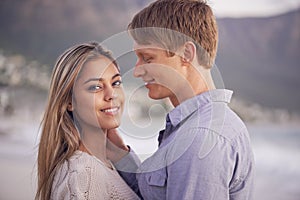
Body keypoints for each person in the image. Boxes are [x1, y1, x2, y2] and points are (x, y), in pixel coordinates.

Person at [108, 0, 255, 199]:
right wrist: (119, 153)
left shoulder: (200, 138)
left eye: (148, 58)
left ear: (186, 54)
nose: (136, 71)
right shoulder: (199, 127)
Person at [35, 42, 140, 200]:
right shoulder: (85, 173)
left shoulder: (104, 165)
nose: (111, 94)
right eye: (95, 87)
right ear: (69, 101)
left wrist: (124, 157)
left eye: (116, 83)